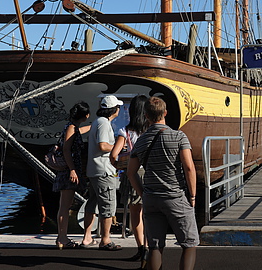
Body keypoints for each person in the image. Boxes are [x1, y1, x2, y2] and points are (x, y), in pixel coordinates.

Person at [128, 96, 198, 270]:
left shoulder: (141, 141)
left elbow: (131, 172)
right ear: (165, 113)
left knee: (155, 246)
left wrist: (143, 193)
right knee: (189, 243)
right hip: (175, 196)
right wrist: (193, 196)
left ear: (146, 116)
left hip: (151, 198)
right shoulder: (178, 136)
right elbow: (189, 167)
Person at [110, 94, 148, 262]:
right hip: (149, 173)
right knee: (150, 214)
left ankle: (142, 248)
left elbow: (114, 155)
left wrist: (118, 166)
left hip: (132, 173)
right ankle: (152, 246)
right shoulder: (151, 131)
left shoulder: (124, 131)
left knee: (135, 213)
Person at [82, 95, 123, 251]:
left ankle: (87, 237)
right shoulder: (104, 124)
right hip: (104, 170)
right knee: (107, 206)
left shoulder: (97, 122)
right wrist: (119, 148)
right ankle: (105, 240)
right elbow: (103, 145)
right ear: (114, 110)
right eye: (118, 107)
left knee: (91, 203)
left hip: (93, 169)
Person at [52, 101, 91, 250]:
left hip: (69, 171)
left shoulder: (73, 127)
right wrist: (73, 170)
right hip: (69, 172)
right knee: (65, 206)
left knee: (65, 205)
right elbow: (66, 149)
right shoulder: (71, 128)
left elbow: (78, 132)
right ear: (85, 115)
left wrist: (93, 127)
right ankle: (62, 237)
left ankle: (62, 236)